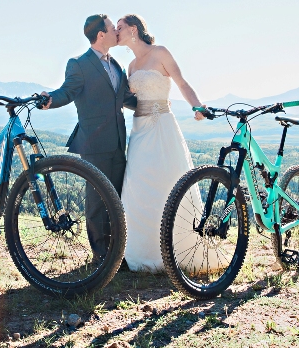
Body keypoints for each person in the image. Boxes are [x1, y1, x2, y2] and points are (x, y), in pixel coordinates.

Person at [116, 14, 217, 272]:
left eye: (119, 27)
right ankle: (139, 252)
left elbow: (182, 83)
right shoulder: (130, 67)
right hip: (139, 131)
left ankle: (176, 250)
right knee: (137, 188)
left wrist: (197, 106)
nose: (116, 32)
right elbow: (132, 100)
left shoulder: (160, 53)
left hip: (162, 127)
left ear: (133, 29)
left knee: (168, 183)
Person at [41, 14, 137, 262]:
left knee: (116, 199)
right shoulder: (79, 64)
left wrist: (153, 105)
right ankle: (100, 257)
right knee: (96, 202)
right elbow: (67, 92)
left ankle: (116, 254)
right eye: (111, 28)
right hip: (94, 143)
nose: (117, 32)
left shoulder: (116, 65)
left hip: (118, 142)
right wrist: (49, 100)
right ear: (101, 35)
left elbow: (124, 98)